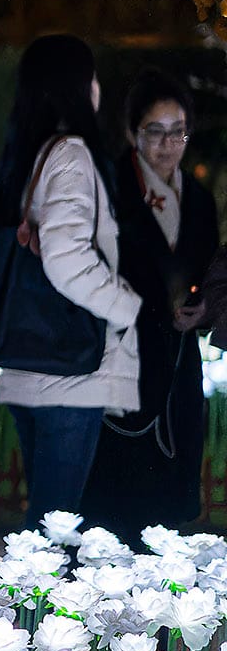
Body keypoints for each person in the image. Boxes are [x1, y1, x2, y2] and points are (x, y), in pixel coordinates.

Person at [0, 34, 141, 525]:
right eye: (91, 76)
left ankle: (28, 604)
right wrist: (127, 306)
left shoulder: (34, 154)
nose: (98, 87)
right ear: (76, 87)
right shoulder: (72, 155)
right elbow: (67, 262)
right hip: (70, 374)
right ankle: (31, 607)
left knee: (45, 531)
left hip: (32, 369)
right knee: (53, 533)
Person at [80, 69, 215, 539]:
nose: (167, 145)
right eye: (154, 132)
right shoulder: (111, 190)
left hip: (178, 361)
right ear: (131, 133)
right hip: (124, 359)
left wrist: (204, 308)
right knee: (117, 505)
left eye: (177, 131)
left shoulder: (197, 198)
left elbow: (208, 271)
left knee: (170, 505)